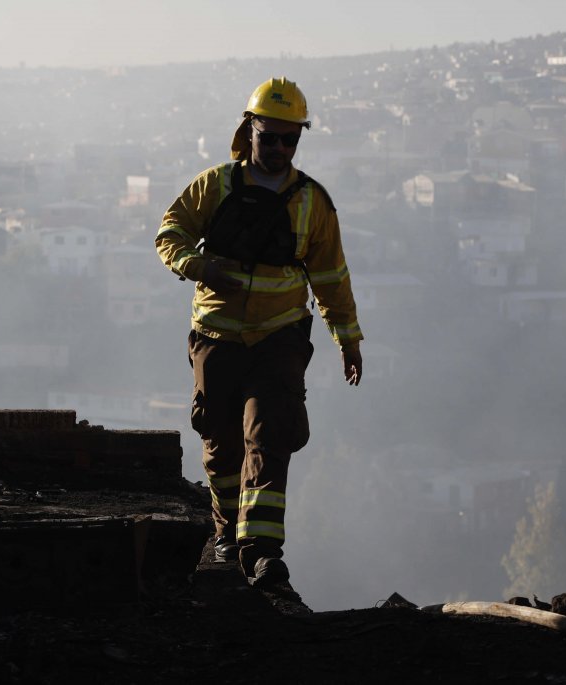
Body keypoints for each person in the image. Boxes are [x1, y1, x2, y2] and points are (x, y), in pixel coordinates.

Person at [155, 77, 363, 587]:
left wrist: (348, 339)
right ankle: (227, 533)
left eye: (289, 139)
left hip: (279, 339)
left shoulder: (313, 202)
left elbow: (331, 276)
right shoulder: (215, 186)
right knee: (221, 443)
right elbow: (170, 233)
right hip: (217, 337)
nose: (278, 148)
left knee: (269, 439)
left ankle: (264, 551)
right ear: (249, 130)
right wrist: (199, 267)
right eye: (269, 136)